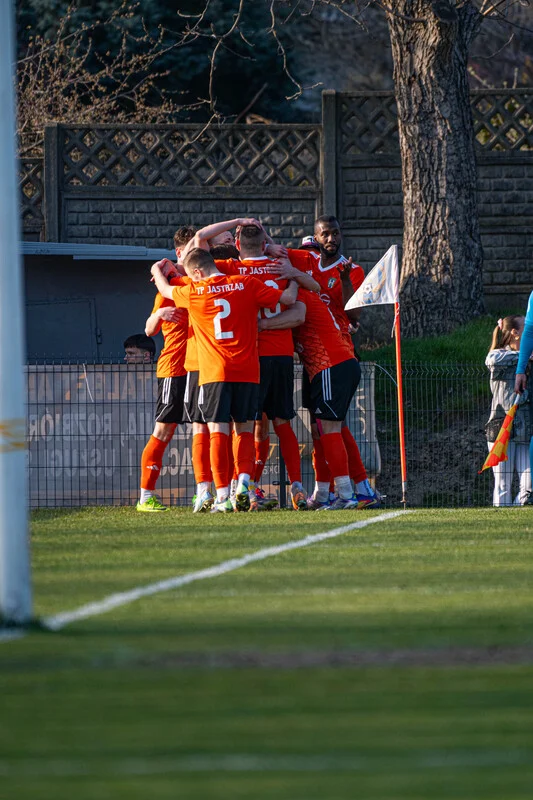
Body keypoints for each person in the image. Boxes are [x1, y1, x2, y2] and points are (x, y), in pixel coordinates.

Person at [150, 247, 298, 513]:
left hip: (215, 371)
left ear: (197, 272)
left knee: (217, 429)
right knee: (244, 429)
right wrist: (295, 276)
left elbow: (165, 289)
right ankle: (243, 483)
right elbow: (288, 298)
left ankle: (220, 496)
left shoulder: (195, 290)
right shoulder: (246, 283)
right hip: (248, 370)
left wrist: (156, 270)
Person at [286, 216, 381, 507]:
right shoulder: (306, 272)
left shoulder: (348, 271)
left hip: (335, 353)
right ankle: (324, 492)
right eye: (324, 235)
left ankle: (353, 489)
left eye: (335, 233)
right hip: (314, 360)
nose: (330, 239)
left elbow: (354, 315)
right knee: (321, 427)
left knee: (332, 426)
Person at [259, 287, 362, 510]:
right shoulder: (297, 292)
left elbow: (298, 316)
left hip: (331, 366)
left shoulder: (299, 295)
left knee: (330, 430)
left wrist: (262, 324)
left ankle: (347, 494)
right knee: (319, 431)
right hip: (328, 368)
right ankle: (323, 494)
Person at [136, 227, 195, 513]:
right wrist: (159, 314)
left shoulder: (200, 281)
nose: (198, 253)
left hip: (201, 367)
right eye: (192, 248)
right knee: (163, 429)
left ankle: (207, 492)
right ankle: (146, 495)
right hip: (174, 367)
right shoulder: (168, 287)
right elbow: (149, 330)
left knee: (207, 429)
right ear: (179, 253)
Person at [486, 315, 531, 506]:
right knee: (502, 483)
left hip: (525, 429)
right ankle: (501, 516)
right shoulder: (498, 356)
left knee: (529, 485)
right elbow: (491, 360)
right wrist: (523, 356)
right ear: (515, 333)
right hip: (501, 428)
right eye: (526, 328)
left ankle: (516, 512)